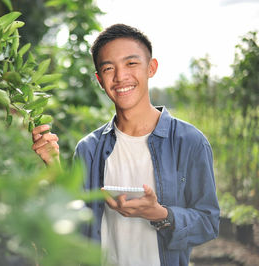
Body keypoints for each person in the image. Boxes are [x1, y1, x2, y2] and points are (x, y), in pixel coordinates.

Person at [32, 24, 219, 266]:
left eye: (131, 64)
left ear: (151, 68)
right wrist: (53, 165)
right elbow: (76, 225)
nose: (120, 77)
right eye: (109, 68)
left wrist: (161, 215)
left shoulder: (189, 142)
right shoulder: (89, 149)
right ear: (100, 80)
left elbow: (208, 223)